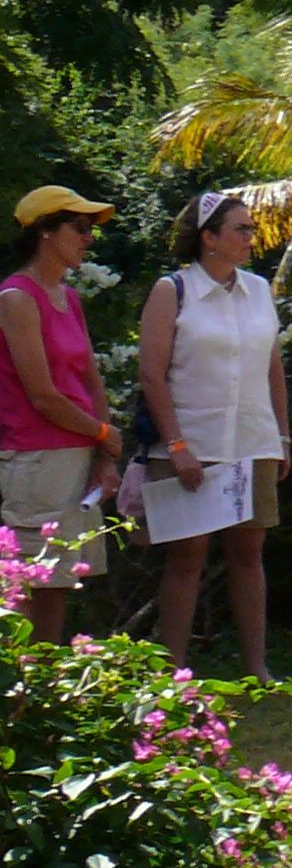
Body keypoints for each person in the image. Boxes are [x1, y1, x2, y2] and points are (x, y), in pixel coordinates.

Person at [138, 190, 291, 677]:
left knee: (249, 554)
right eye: (241, 229)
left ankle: (256, 669)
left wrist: (282, 437)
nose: (252, 237)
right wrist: (177, 445)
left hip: (253, 440)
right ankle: (172, 674)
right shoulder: (172, 290)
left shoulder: (259, 290)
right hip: (192, 443)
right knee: (187, 556)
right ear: (209, 238)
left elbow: (272, 369)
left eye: (251, 228)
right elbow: (151, 375)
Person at [1, 187, 125, 642]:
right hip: (35, 462)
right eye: (80, 227)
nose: (89, 237)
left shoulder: (67, 297)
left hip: (75, 456)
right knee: (29, 592)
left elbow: (90, 378)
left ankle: (44, 700)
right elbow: (43, 396)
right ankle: (19, 703)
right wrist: (102, 433)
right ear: (46, 231)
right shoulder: (16, 297)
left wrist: (104, 453)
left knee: (57, 588)